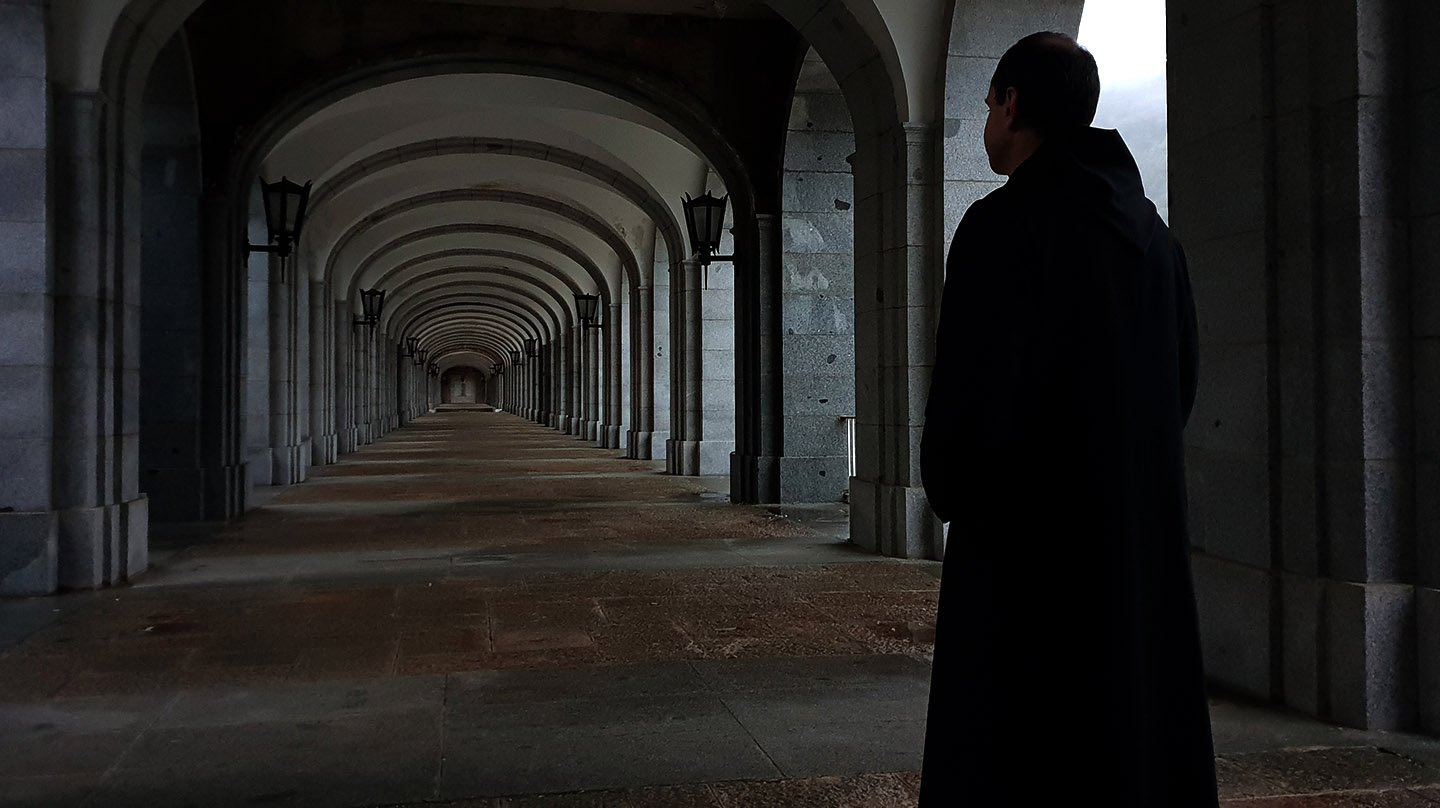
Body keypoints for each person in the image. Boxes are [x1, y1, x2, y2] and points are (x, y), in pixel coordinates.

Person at [917, 32, 1218, 806]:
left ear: (1013, 105)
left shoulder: (997, 228)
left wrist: (959, 491)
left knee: (1017, 757)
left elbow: (962, 401)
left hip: (1022, 555)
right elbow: (1180, 383)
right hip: (1133, 540)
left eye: (988, 105)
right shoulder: (1158, 243)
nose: (987, 120)